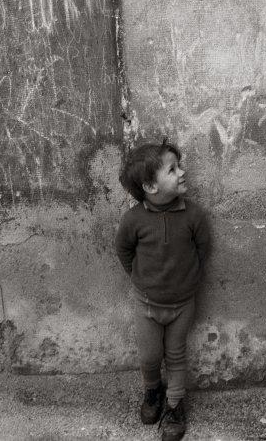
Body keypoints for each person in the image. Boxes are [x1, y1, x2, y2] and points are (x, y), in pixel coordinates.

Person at [115, 141, 211, 441]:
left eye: (178, 166)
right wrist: (140, 278)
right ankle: (153, 391)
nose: (182, 172)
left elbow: (203, 249)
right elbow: (124, 251)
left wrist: (189, 279)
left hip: (183, 304)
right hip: (146, 304)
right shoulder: (133, 220)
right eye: (172, 169)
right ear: (150, 186)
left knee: (176, 354)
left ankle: (174, 405)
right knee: (149, 356)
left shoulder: (193, 216)